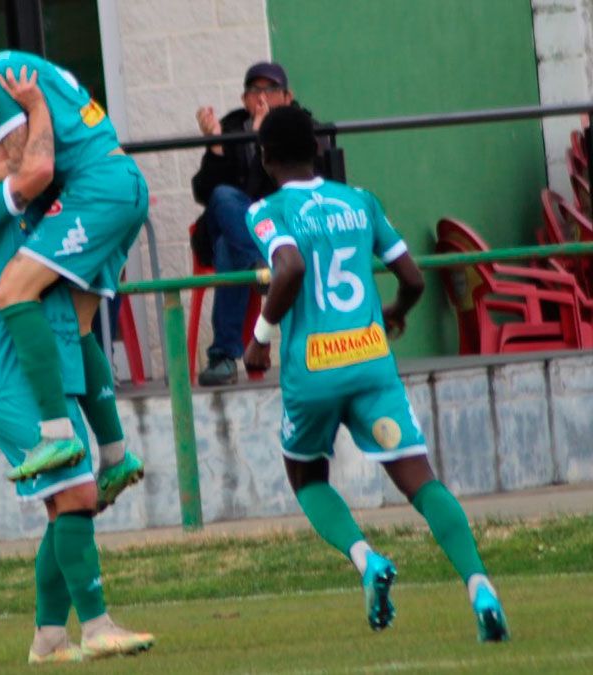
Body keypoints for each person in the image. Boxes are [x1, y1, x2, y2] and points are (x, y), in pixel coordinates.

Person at [242, 106, 509, 642]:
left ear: (265, 158)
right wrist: (395, 314)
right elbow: (411, 277)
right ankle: (480, 585)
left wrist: (258, 342)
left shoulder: (266, 211)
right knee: (421, 480)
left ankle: (366, 560)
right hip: (370, 363)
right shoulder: (359, 201)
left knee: (308, 478)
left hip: (313, 369)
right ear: (318, 149)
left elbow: (289, 268)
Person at [0, 70, 152, 662]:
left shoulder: (51, 224)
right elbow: (30, 169)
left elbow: (85, 334)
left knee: (69, 505)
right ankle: (98, 626)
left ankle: (47, 638)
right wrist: (35, 106)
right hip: (7, 385)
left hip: (44, 379)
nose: (15, 162)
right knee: (77, 495)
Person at [0, 51, 146, 495]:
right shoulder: (3, 64)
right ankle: (115, 454)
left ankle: (55, 435)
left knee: (13, 290)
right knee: (81, 324)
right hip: (119, 182)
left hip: (96, 191)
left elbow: (30, 168)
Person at [191, 61, 317, 386]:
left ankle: (223, 356)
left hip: (281, 229)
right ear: (245, 98)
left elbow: (286, 192)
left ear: (287, 97)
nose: (262, 97)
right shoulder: (233, 127)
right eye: (254, 91)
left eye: (270, 90)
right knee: (222, 196)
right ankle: (260, 265)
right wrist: (217, 147)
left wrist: (266, 141)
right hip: (247, 232)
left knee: (227, 249)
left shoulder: (302, 128)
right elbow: (204, 193)